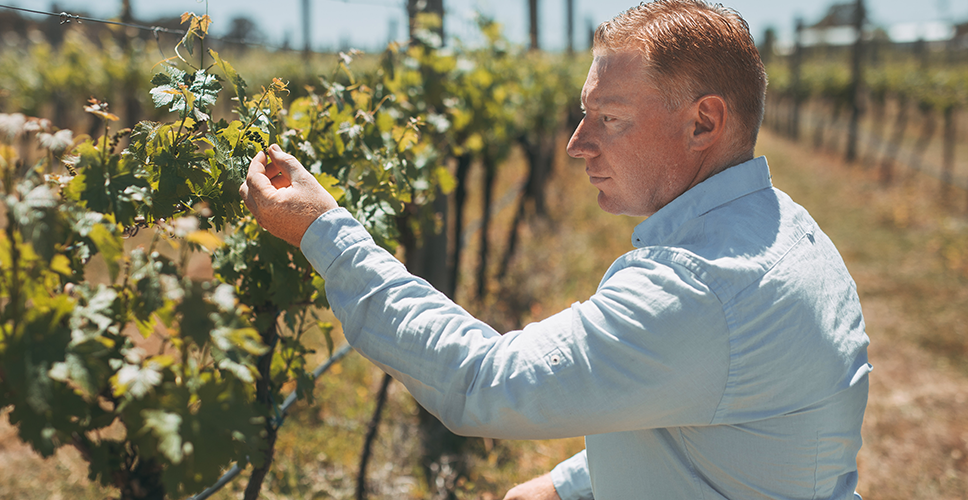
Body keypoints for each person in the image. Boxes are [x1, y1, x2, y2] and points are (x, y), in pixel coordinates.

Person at [239, 0, 872, 498]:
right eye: (582, 113)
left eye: (610, 117)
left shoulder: (697, 288)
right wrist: (571, 484)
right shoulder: (787, 229)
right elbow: (711, 423)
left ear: (704, 122)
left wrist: (326, 233)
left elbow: (483, 381)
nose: (576, 144)